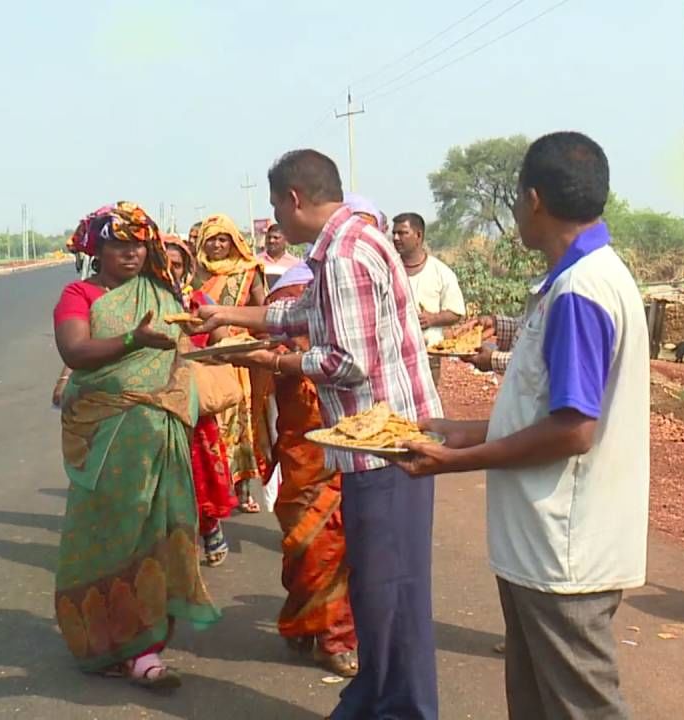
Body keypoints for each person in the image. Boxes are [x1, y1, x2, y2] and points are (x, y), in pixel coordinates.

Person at [397, 132, 649, 720]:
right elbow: (547, 410)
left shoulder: (581, 292)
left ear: (533, 199)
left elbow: (572, 430)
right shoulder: (576, 280)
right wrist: (462, 428)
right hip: (544, 548)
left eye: (515, 200)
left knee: (581, 707)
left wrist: (456, 462)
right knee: (536, 703)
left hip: (565, 550)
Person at [196, 149, 442, 720]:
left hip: (384, 448)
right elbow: (305, 314)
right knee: (377, 593)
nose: (274, 221)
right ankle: (373, 699)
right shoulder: (352, 242)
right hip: (374, 445)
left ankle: (402, 708)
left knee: (393, 595)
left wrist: (278, 365)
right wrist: (233, 320)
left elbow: (345, 360)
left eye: (275, 206)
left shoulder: (344, 255)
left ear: (294, 199)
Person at [51, 202, 227, 690]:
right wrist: (134, 339)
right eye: (118, 245)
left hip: (158, 429)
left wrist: (213, 334)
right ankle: (102, 640)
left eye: (138, 245)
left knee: (156, 531)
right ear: (98, 249)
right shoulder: (79, 293)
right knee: (106, 535)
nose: (130, 254)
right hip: (105, 436)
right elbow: (75, 351)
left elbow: (192, 338)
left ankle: (145, 650)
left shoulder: (164, 293)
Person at [258, 262, 359, 678]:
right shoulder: (277, 335)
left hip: (348, 446)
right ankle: (303, 620)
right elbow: (259, 394)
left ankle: (334, 639)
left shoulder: (349, 324)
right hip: (301, 454)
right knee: (305, 544)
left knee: (338, 544)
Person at [162, 233, 239, 566]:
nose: (169, 270)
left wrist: (202, 350)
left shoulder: (199, 301)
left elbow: (222, 339)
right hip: (152, 403)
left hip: (194, 404)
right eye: (162, 262)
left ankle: (209, 527)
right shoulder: (138, 302)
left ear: (187, 268)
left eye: (176, 264)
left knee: (199, 472)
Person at [194, 213, 269, 513]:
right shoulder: (197, 273)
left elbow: (263, 310)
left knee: (243, 424)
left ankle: (244, 488)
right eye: (211, 239)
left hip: (240, 356)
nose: (217, 245)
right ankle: (215, 492)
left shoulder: (249, 271)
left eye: (223, 238)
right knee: (213, 423)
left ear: (234, 241)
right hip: (209, 357)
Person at [391, 212, 466, 384]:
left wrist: (432, 319)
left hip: (427, 357)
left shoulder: (441, 272)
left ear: (418, 236)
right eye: (394, 233)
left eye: (402, 233)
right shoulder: (386, 270)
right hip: (393, 357)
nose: (396, 238)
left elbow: (457, 312)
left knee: (425, 409)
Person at [256, 221, 302, 288]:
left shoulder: (296, 264)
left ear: (285, 240)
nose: (271, 240)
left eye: (276, 237)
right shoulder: (256, 261)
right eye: (269, 237)